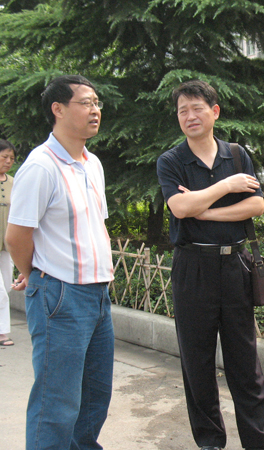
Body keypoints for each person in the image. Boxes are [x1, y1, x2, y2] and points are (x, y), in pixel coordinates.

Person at [156, 80, 264, 450]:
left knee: (245, 359)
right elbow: (180, 208)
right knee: (197, 360)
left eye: (197, 108)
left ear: (214, 112)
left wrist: (204, 209)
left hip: (236, 264)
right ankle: (210, 441)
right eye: (183, 111)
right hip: (193, 267)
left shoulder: (236, 155)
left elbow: (255, 206)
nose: (190, 116)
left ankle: (262, 441)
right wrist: (227, 186)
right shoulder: (171, 161)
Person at [6, 75, 114, 449]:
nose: (95, 110)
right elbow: (17, 236)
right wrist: (34, 274)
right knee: (57, 402)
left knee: (94, 399)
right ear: (58, 109)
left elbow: (95, 225)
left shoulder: (92, 163)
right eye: (86, 102)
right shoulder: (41, 166)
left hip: (98, 296)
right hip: (61, 296)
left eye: (97, 102)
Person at [0, 139, 15, 347]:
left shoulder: (14, 183)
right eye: (4, 156)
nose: (8, 161)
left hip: (7, 244)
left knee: (6, 286)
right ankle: (2, 332)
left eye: (11, 158)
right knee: (0, 291)